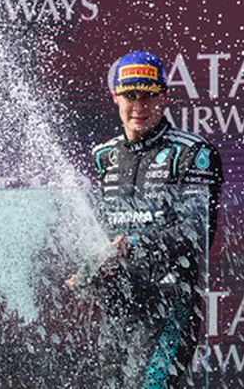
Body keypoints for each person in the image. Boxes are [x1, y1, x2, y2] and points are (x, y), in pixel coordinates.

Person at [66, 51, 224, 388]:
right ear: (116, 97)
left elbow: (197, 232)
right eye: (130, 96)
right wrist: (90, 268)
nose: (139, 105)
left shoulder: (193, 153)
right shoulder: (103, 156)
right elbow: (107, 233)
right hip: (119, 305)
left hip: (171, 305)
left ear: (164, 98)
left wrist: (137, 245)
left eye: (148, 95)